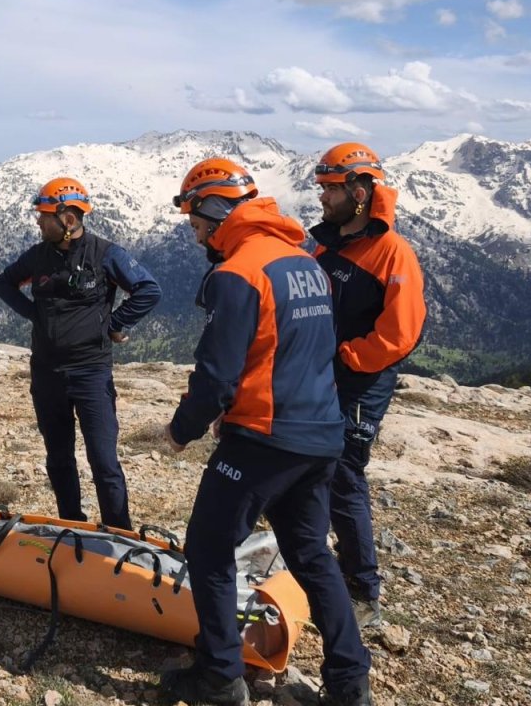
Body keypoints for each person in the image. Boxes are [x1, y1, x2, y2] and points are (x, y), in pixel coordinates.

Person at [161, 158, 372, 706]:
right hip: (320, 435)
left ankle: (218, 676)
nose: (194, 231)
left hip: (263, 438)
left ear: (214, 207)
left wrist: (181, 429)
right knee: (310, 554)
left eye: (195, 218)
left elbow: (217, 377)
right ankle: (350, 683)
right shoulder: (303, 261)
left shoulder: (237, 273)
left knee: (208, 550)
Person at [0, 177, 161, 530]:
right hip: (46, 373)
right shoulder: (37, 256)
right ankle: (72, 525)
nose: (38, 222)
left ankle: (119, 533)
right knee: (58, 458)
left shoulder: (105, 253)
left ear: (68, 218)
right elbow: (3, 284)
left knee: (104, 462)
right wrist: (34, 315)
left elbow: (148, 290)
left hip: (91, 374)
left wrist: (114, 323)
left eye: (43, 216)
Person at [310, 143, 426, 629]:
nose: (322, 199)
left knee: (343, 477)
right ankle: (320, 569)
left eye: (330, 190)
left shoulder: (391, 251)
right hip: (320, 377)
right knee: (309, 468)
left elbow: (402, 331)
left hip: (360, 383)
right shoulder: (325, 244)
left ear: (358, 191)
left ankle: (362, 588)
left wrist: (350, 358)